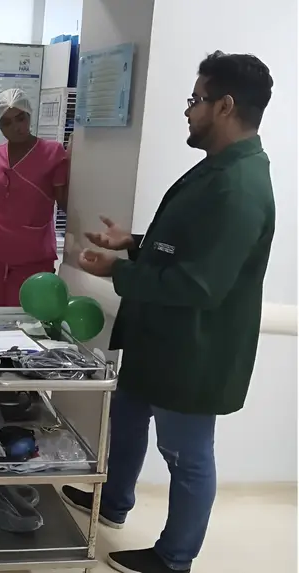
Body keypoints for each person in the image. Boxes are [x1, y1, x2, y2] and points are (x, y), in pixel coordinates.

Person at [66, 52, 275, 573]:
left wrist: (117, 271)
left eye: (196, 99)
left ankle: (175, 557)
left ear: (225, 106)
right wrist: (134, 243)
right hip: (156, 339)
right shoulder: (216, 169)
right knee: (127, 419)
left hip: (194, 350)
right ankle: (113, 502)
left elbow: (200, 285)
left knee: (186, 455)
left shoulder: (240, 186)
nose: (188, 109)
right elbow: (186, 249)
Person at [0, 88, 69, 306]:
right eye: (6, 123)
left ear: (29, 115)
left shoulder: (53, 153)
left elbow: (64, 202)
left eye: (20, 118)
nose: (16, 127)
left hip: (34, 253)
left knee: (30, 313)